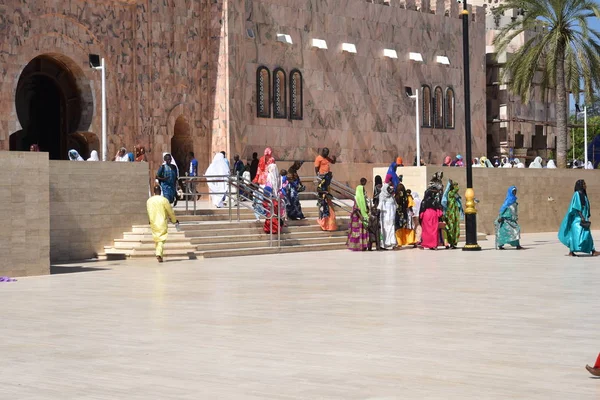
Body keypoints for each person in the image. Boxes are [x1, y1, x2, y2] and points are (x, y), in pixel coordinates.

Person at [558, 180, 600, 257]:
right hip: (578, 219)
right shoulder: (577, 194)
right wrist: (582, 217)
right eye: (584, 184)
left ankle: (592, 250)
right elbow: (576, 207)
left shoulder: (583, 194)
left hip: (583, 218)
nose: (585, 185)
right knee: (575, 235)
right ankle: (572, 251)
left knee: (587, 234)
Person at [147, 185, 179, 263]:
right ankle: (158, 254)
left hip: (153, 222)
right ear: (160, 191)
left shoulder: (149, 201)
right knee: (161, 239)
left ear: (154, 192)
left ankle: (160, 255)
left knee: (157, 239)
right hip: (161, 222)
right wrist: (174, 220)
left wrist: (150, 220)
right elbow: (170, 212)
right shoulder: (164, 200)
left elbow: (149, 212)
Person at [419, 172, 444, 250]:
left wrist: (420, 218)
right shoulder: (435, 201)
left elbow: (421, 212)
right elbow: (439, 211)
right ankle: (434, 244)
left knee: (426, 231)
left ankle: (427, 244)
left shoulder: (424, 201)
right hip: (434, 215)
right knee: (434, 230)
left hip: (426, 215)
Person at [494, 185, 523, 250]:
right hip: (506, 220)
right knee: (504, 232)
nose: (514, 192)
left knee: (515, 231)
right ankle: (500, 245)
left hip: (512, 219)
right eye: (513, 191)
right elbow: (503, 208)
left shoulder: (514, 199)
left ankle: (517, 245)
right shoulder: (508, 200)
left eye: (515, 191)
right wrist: (501, 216)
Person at [347, 178, 370, 251]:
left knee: (363, 231)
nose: (364, 192)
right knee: (357, 232)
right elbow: (356, 209)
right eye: (363, 191)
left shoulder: (362, 199)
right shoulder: (357, 199)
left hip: (362, 216)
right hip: (358, 217)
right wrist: (361, 216)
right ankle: (357, 246)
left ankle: (363, 246)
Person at [442, 180, 463, 249]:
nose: (456, 187)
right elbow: (457, 189)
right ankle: (451, 242)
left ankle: (453, 243)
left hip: (454, 213)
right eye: (455, 185)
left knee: (455, 229)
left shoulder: (453, 195)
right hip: (451, 213)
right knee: (451, 228)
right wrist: (450, 184)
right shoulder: (450, 193)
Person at [378, 175, 397, 250]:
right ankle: (385, 243)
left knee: (391, 228)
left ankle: (391, 243)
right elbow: (380, 206)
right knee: (385, 229)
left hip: (390, 217)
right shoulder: (383, 196)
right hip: (385, 217)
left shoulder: (390, 197)